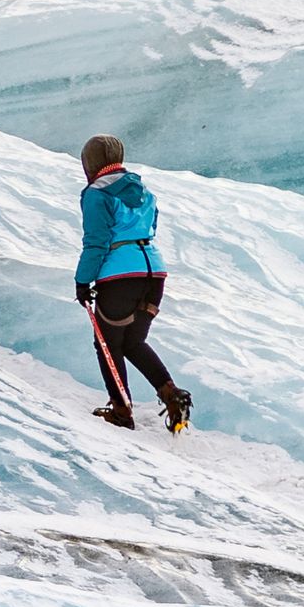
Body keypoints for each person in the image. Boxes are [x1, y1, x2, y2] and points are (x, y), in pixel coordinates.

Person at [75, 134, 191, 432]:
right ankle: (172, 395)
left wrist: (82, 280)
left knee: (107, 344)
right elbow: (150, 228)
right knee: (132, 341)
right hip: (154, 273)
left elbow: (97, 242)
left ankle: (121, 411)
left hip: (119, 276)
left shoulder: (96, 193)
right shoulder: (143, 190)